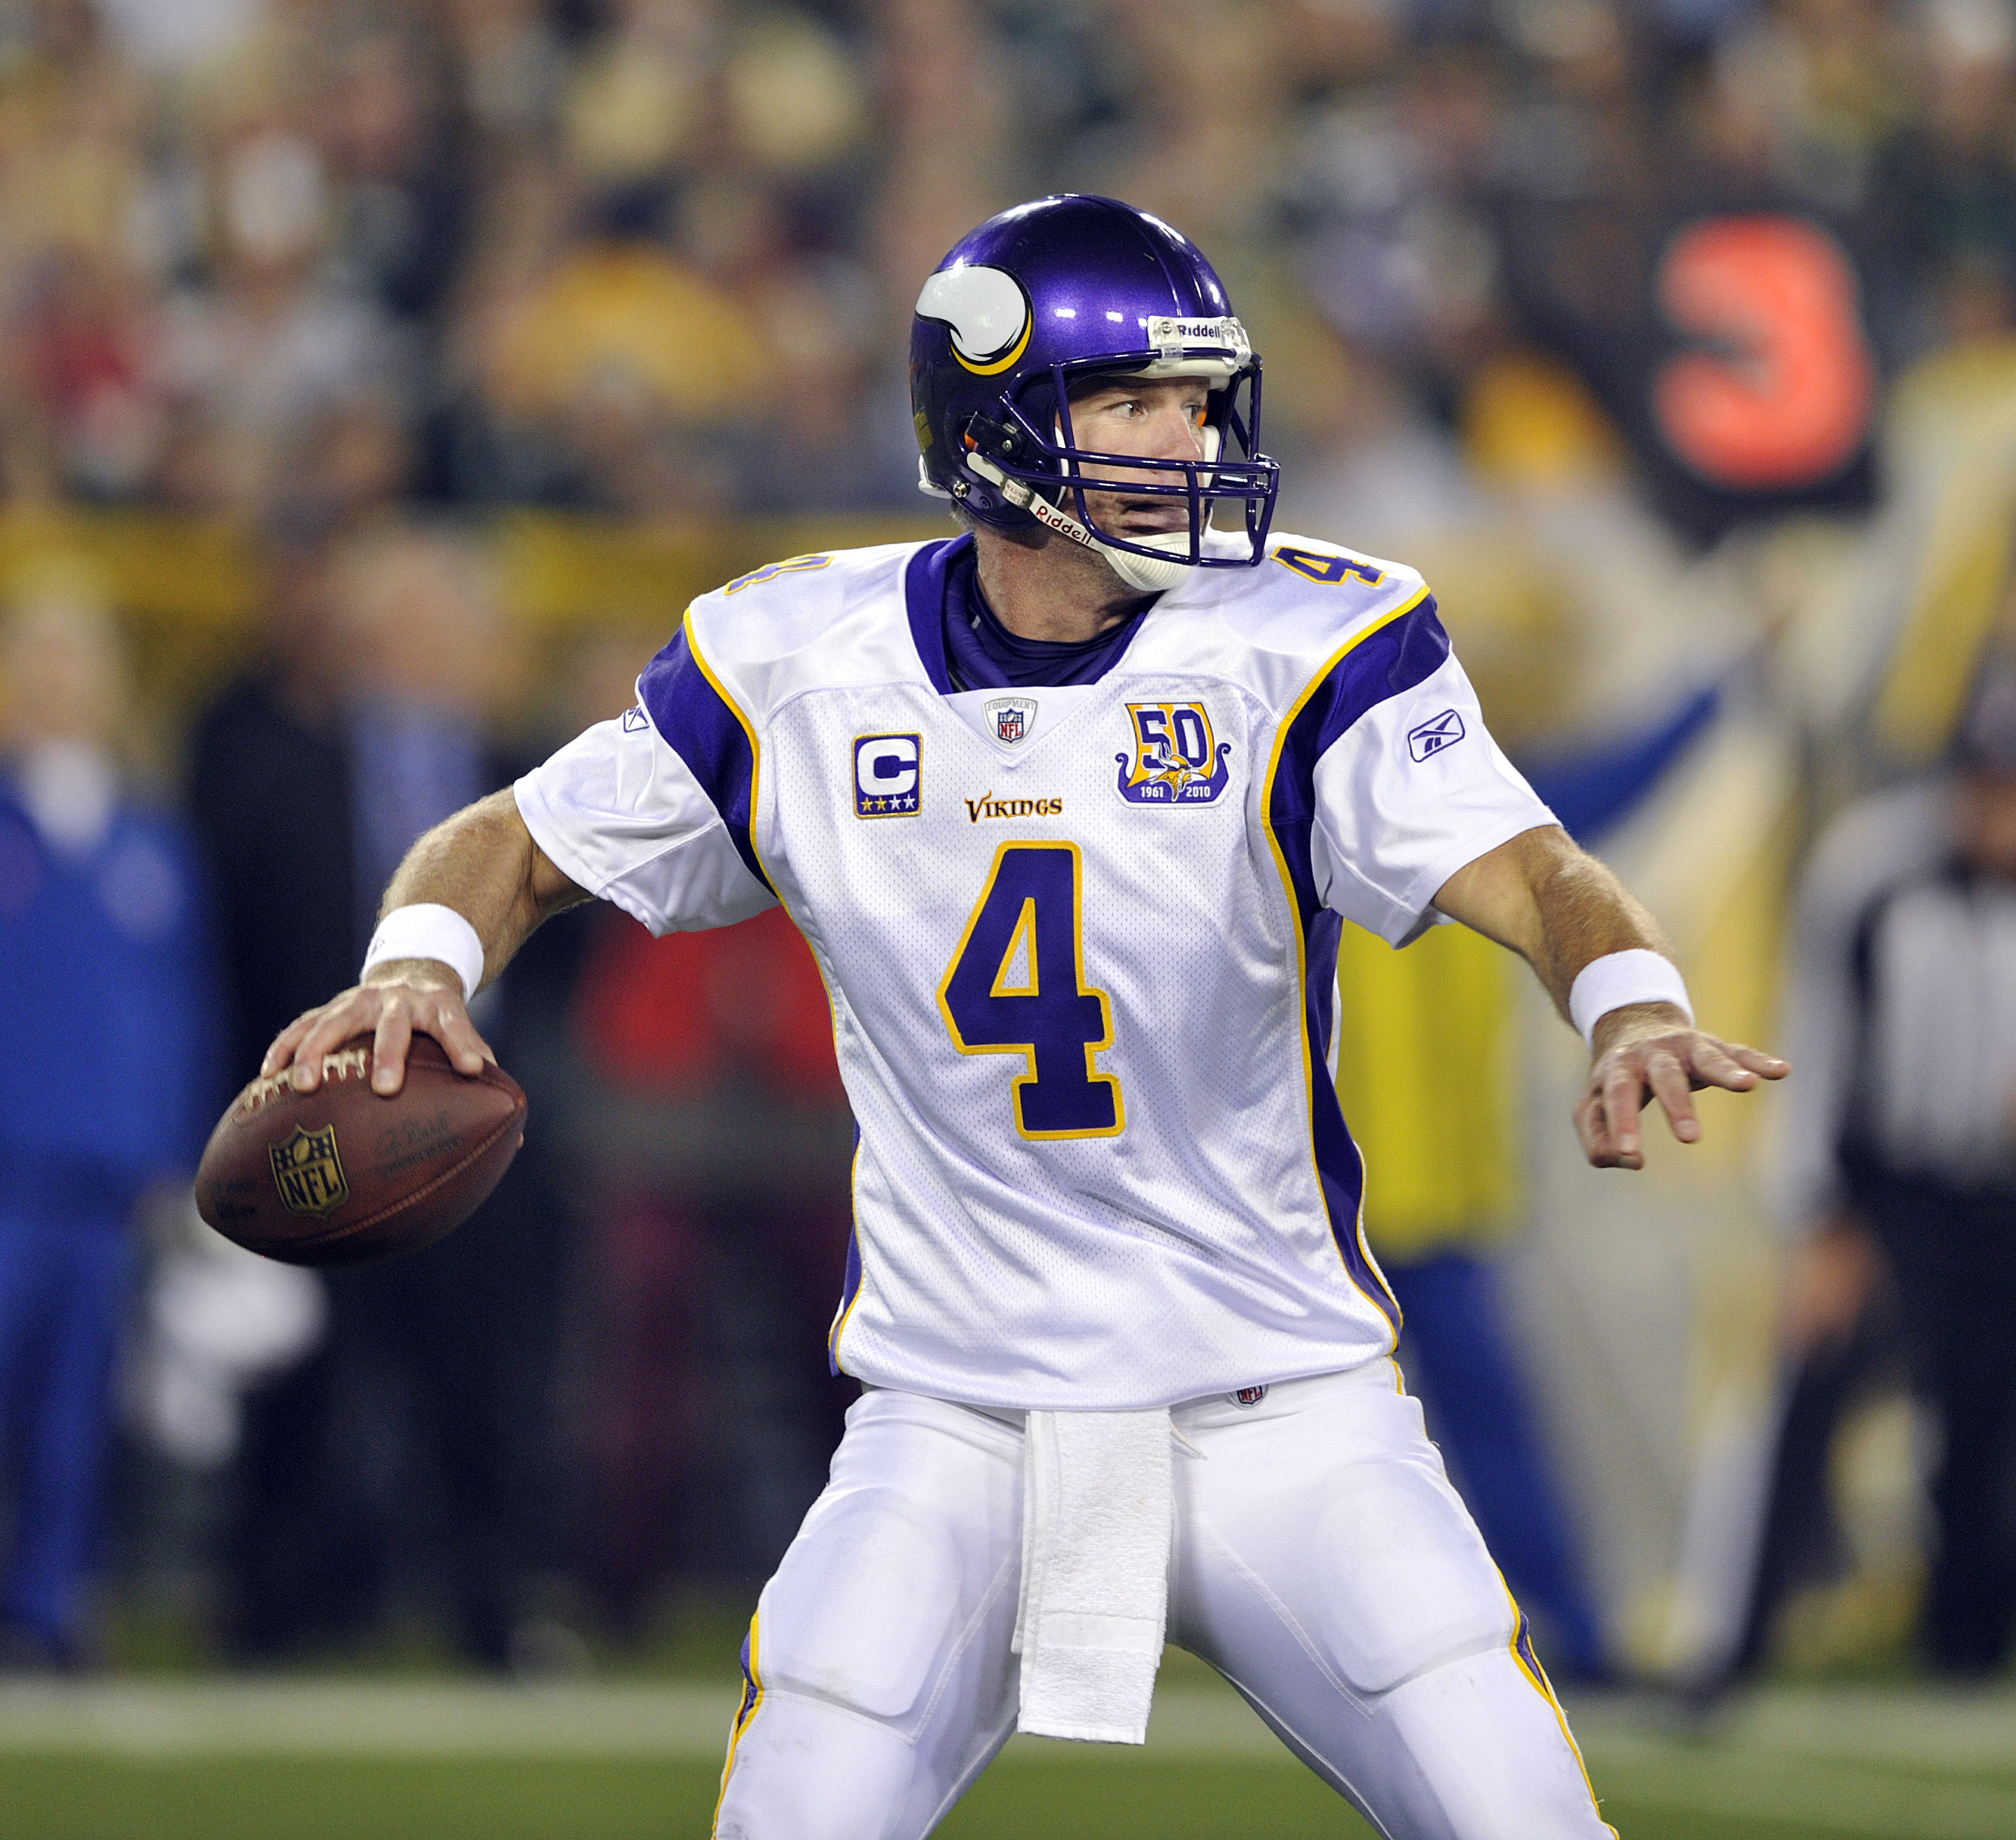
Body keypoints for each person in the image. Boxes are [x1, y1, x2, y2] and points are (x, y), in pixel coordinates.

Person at [264, 196, 1785, 1838]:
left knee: (1524, 1823)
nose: (1185, 440)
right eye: (1132, 404)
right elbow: (506, 843)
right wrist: (417, 963)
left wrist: (1627, 1000)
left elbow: (1534, 870)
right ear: (991, 430)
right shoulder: (800, 660)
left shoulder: (1307, 640)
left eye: (1198, 402)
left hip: (1276, 1403)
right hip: (957, 1416)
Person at [0, 588, 214, 1668]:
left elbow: (180, 1002)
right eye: (35, 661)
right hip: (9, 1168)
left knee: (75, 1415)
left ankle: (49, 1606)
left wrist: (177, 1150)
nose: (55, 685)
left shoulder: (148, 834)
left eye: (74, 663)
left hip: (105, 1170)